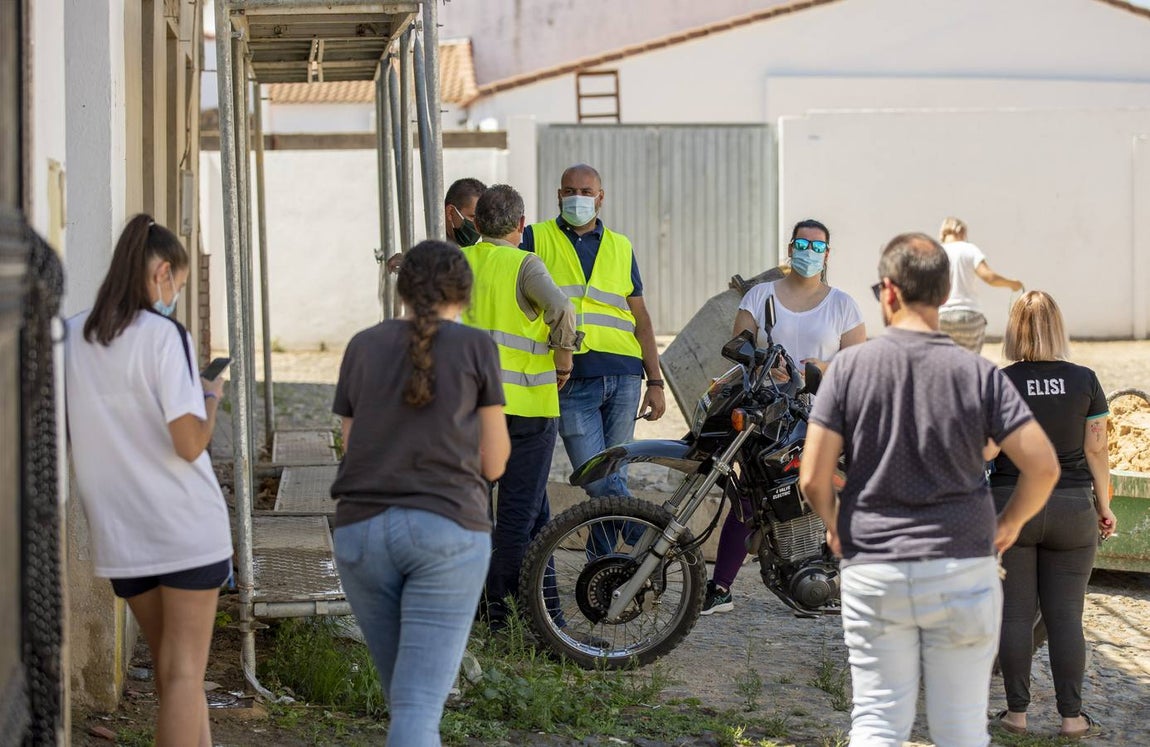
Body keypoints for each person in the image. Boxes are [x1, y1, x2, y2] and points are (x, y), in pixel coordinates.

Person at [799, 232, 1060, 747]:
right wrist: (1007, 525)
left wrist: (835, 526)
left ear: (889, 293)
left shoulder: (849, 369)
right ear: (944, 296)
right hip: (963, 564)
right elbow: (1044, 466)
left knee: (876, 720)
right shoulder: (979, 374)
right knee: (961, 727)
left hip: (876, 563)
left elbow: (812, 475)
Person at [330, 240, 511, 746]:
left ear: (402, 287)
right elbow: (495, 463)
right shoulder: (477, 347)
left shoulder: (362, 345)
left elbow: (351, 446)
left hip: (360, 534)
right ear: (465, 292)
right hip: (447, 531)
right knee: (416, 708)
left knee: (405, 702)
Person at [65, 214, 232, 747]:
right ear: (161, 273)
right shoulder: (164, 336)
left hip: (120, 533)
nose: (174, 296)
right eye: (178, 286)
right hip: (184, 526)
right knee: (185, 675)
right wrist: (210, 396)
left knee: (171, 679)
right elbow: (188, 444)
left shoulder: (67, 334)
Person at [702, 218, 865, 615]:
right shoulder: (760, 296)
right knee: (750, 498)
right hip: (765, 412)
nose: (808, 253)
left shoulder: (842, 304)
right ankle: (720, 588)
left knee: (821, 496)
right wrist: (761, 364)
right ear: (790, 246)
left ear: (827, 254)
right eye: (802, 244)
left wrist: (824, 368)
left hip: (821, 415)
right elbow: (740, 346)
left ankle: (819, 581)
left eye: (817, 247)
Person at [989, 291, 1115, 739]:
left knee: (1016, 616)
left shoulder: (999, 382)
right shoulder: (1085, 379)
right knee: (1066, 617)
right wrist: (1105, 505)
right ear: (1057, 327)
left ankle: (1016, 715)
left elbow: (984, 449)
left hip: (1012, 504)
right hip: (1071, 506)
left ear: (1013, 330)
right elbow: (1096, 449)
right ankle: (1072, 718)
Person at [461, 184, 579, 630]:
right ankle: (502, 617)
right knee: (518, 516)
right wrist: (563, 361)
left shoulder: (461, 263)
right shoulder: (525, 264)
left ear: (475, 224)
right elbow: (562, 311)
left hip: (471, 412)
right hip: (526, 411)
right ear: (521, 225)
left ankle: (547, 612)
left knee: (492, 513)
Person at [521, 163, 665, 507]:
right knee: (596, 478)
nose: (577, 198)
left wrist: (656, 382)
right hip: (569, 377)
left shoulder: (621, 245)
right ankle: (646, 529)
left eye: (586, 192)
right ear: (558, 195)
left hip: (624, 376)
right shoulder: (535, 238)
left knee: (616, 475)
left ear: (600, 198)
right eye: (570, 191)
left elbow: (640, 316)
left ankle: (607, 561)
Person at [938, 216, 1024, 353]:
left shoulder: (936, 252)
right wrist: (1013, 284)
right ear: (960, 230)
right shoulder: (969, 249)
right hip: (969, 316)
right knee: (971, 364)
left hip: (941, 317)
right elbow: (989, 277)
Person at [385, 177, 486, 271]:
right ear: (450, 212)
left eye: (481, 219)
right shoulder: (427, 254)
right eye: (472, 217)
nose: (477, 226)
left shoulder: (485, 253)